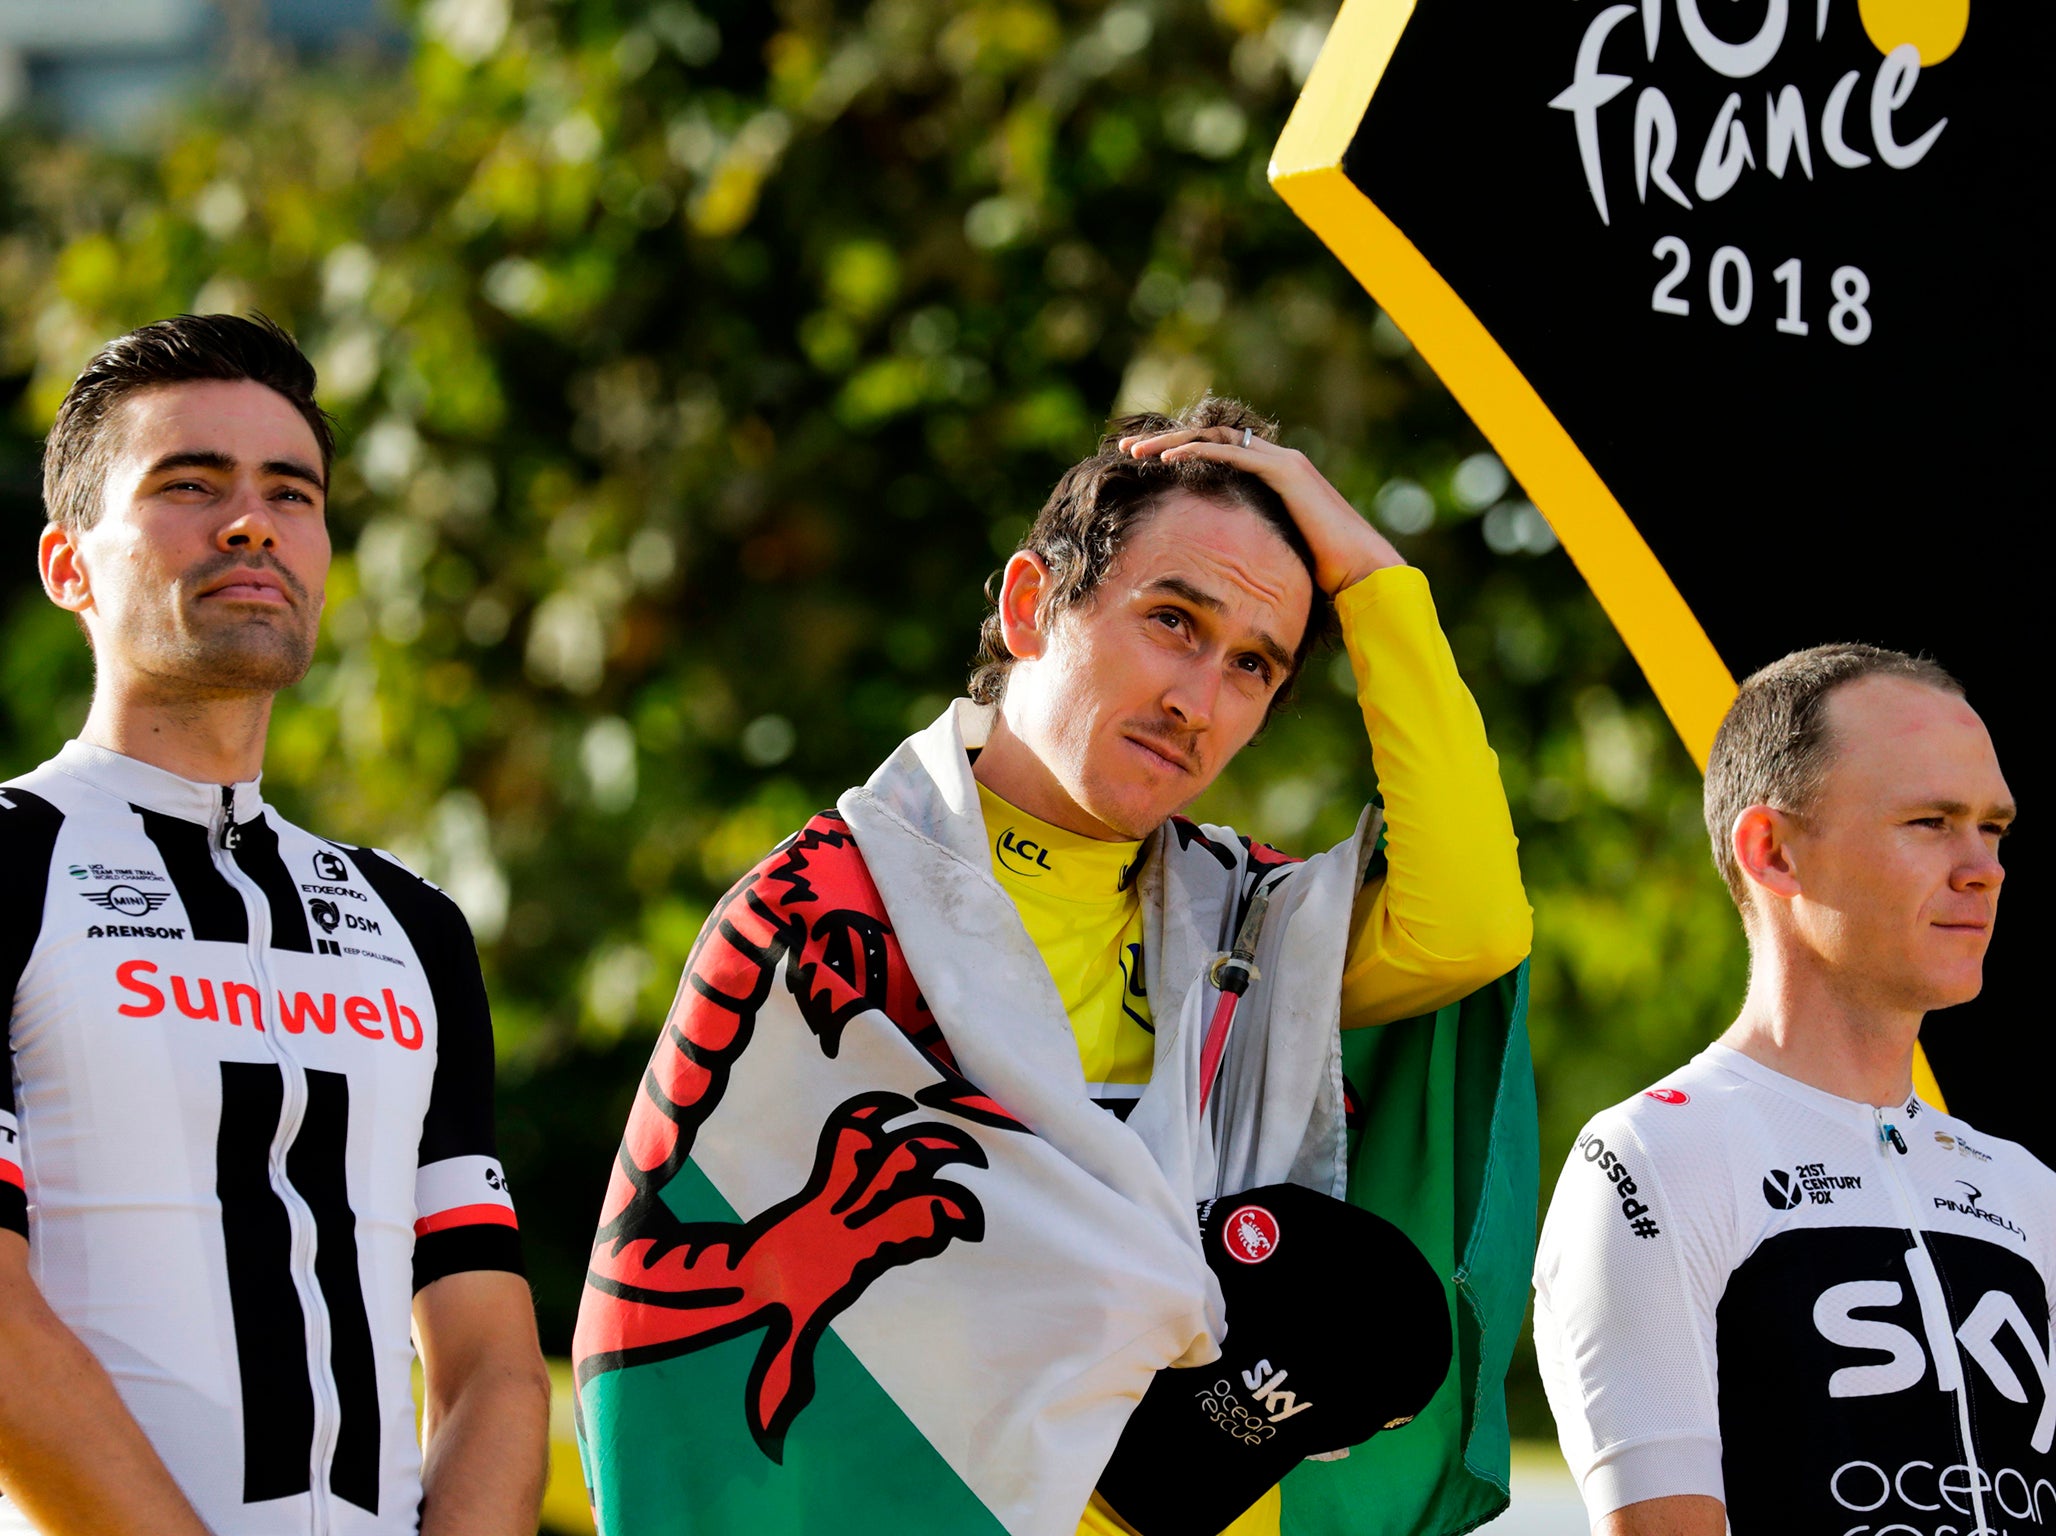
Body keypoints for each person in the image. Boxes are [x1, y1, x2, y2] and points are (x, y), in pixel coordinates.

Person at [574, 398, 1533, 1536]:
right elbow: (659, 1327)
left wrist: (1373, 576)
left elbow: (1469, 925)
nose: (1197, 703)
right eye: (1174, 621)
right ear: (1031, 607)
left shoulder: (1255, 931)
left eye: (1253, 666)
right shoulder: (818, 917)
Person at [0, 315, 550, 1536]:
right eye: (189, 485)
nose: (250, 523)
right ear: (67, 568)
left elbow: (491, 1364)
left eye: (290, 494)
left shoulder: (414, 923)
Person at [1532, 645, 2055, 1535]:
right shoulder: (1652, 1160)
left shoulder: (2025, 1188)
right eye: (1930, 821)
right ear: (1772, 851)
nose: (1984, 869)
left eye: (1993, 828)